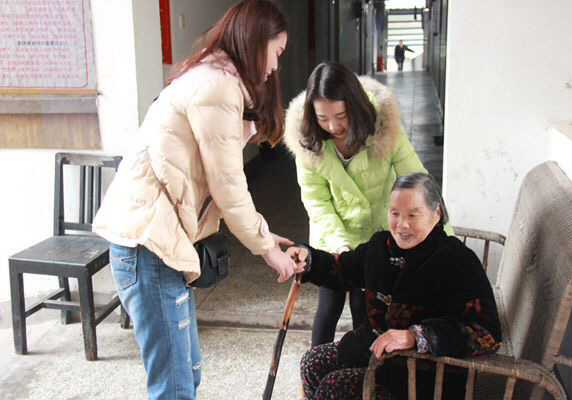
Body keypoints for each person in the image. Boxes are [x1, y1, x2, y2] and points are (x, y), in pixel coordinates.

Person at [92, 1, 296, 398]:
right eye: (277, 52)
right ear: (256, 42)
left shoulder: (214, 78)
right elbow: (228, 185)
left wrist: (264, 234)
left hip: (160, 244)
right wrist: (267, 249)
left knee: (186, 376)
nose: (275, 66)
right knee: (175, 387)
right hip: (149, 246)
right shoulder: (217, 87)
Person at [287, 173, 502, 399]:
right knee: (312, 364)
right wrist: (309, 260)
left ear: (436, 213)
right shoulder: (381, 246)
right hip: (374, 350)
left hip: (423, 374)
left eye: (413, 215)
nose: (402, 224)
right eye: (395, 213)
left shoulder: (457, 260)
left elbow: (486, 332)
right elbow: (343, 269)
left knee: (335, 387)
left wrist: (417, 336)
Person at [283, 62, 428, 349]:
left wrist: (441, 239)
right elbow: (317, 202)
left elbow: (418, 183)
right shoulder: (308, 142)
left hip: (375, 233)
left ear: (355, 105)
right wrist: (340, 247)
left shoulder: (385, 129)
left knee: (366, 310)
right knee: (329, 306)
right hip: (331, 233)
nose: (333, 126)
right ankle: (316, 366)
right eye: (322, 118)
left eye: (341, 115)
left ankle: (364, 370)